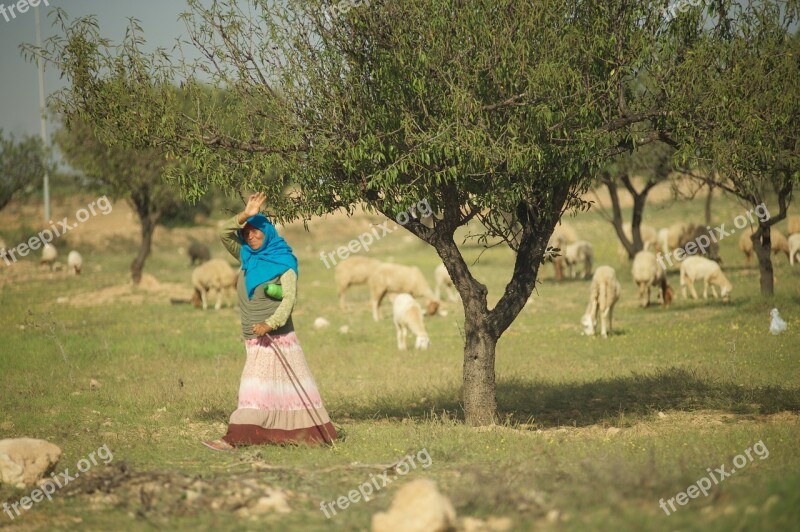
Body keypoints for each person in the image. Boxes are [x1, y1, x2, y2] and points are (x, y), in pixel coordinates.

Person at [202, 192, 337, 450]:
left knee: (253, 390)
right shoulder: (247, 256)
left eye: (256, 231)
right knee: (276, 389)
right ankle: (295, 436)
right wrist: (245, 215)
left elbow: (288, 301)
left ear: (267, 232)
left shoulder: (284, 262)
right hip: (253, 337)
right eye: (248, 232)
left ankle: (237, 438)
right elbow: (223, 233)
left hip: (277, 337)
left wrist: (269, 324)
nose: (251, 236)